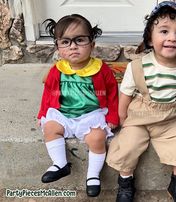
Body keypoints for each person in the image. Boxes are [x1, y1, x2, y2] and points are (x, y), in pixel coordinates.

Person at [106, 1, 176, 202]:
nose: (172, 38)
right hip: (138, 119)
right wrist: (122, 118)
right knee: (127, 146)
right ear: (149, 37)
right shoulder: (137, 67)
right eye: (164, 31)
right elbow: (126, 95)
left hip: (168, 120)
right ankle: (126, 183)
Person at [37, 14, 119, 198]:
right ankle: (60, 164)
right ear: (58, 47)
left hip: (91, 114)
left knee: (97, 138)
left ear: (92, 44)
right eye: (65, 42)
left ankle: (93, 175)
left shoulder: (101, 69)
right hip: (63, 113)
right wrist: (43, 113)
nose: (73, 46)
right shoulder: (57, 70)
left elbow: (113, 93)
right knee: (50, 128)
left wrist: (113, 116)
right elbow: (48, 93)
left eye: (80, 40)